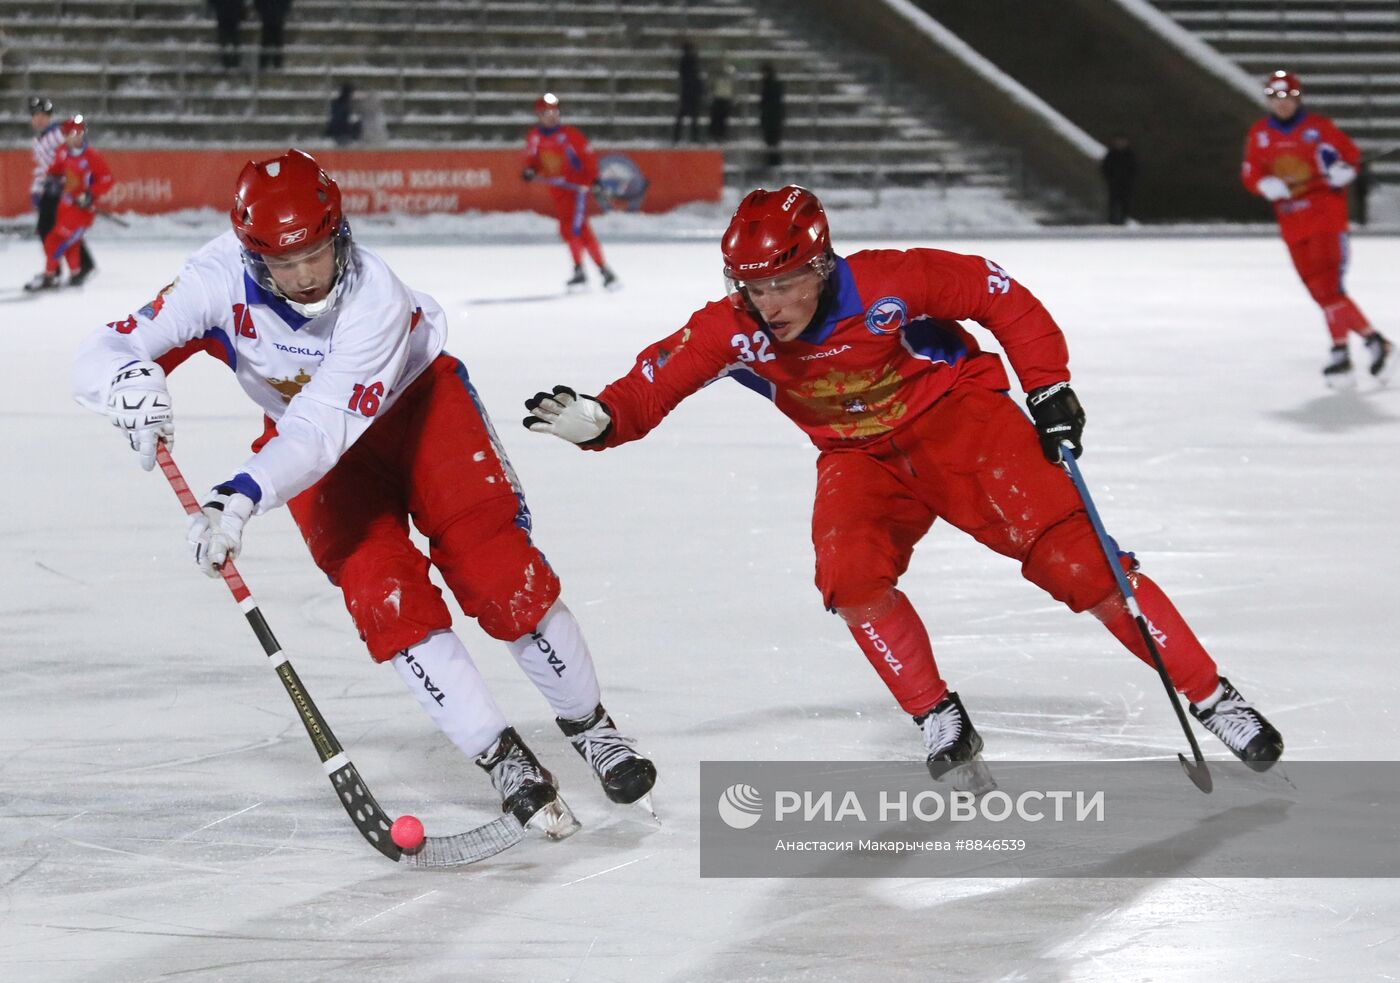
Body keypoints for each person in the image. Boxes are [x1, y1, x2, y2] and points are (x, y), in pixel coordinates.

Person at [523, 185, 1285, 782]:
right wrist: (604, 419)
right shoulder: (736, 328)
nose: (770, 303)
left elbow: (1000, 294)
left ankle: (1215, 697)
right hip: (858, 458)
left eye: (786, 281)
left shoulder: (893, 279)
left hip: (960, 426)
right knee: (848, 574)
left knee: (1082, 564)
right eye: (752, 285)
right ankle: (937, 714)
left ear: (821, 264)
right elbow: (658, 377)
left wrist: (1048, 386)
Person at [70, 149, 656, 836]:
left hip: (417, 410)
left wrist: (240, 495)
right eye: (283, 266)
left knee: (495, 570)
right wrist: (124, 385)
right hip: (308, 441)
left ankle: (592, 727)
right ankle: (500, 755)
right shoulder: (214, 278)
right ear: (249, 254)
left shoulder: (375, 293)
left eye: (317, 253)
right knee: (384, 595)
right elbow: (104, 349)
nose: (305, 275)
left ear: (340, 231)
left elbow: (322, 429)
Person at [1241, 69, 1393, 388]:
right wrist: (1263, 183)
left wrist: (1342, 172)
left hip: (1325, 219)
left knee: (1330, 289)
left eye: (1289, 97)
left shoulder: (1319, 129)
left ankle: (1343, 350)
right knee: (1320, 292)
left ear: (1299, 98)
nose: (1282, 104)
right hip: (1292, 225)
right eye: (1275, 98)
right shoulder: (1260, 133)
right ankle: (1372, 341)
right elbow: (1250, 171)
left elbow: (1349, 157)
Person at [522, 92, 619, 291]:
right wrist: (531, 170)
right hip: (558, 191)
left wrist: (593, 180)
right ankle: (583, 270)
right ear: (539, 115)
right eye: (546, 112)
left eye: (554, 111)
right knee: (568, 230)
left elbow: (588, 159)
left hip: (577, 191)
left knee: (578, 229)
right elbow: (534, 161)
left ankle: (601, 270)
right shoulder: (535, 137)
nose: (551, 116)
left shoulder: (570, 135)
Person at [25, 114, 110, 292]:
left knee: (53, 241)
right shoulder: (62, 151)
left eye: (77, 134)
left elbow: (106, 179)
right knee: (71, 243)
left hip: (81, 211)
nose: (73, 137)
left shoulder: (90, 156)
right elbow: (54, 169)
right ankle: (75, 274)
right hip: (66, 207)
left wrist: (90, 194)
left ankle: (49, 276)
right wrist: (52, 181)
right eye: (69, 134)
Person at [1100, 135, 1136, 225]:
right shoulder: (1111, 154)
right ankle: (1112, 220)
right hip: (1114, 183)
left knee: (1126, 202)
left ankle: (1126, 219)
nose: (1120, 144)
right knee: (1113, 202)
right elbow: (1105, 167)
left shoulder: (1130, 155)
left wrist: (1130, 179)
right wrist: (1110, 178)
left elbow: (1135, 168)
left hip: (1126, 183)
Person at [673, 40, 703, 145]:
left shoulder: (690, 61)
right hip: (689, 93)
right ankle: (683, 137)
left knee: (691, 117)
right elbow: (693, 77)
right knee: (688, 117)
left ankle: (690, 138)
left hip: (690, 93)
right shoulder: (687, 61)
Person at [758, 62, 785, 169]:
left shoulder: (771, 85)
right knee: (771, 140)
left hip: (772, 117)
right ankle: (772, 161)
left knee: (772, 140)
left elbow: (769, 103)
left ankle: (774, 161)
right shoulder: (771, 84)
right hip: (772, 117)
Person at [253, 0, 290, 70]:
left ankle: (274, 62)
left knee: (274, 40)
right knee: (268, 40)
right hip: (270, 15)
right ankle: (269, 62)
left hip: (273, 14)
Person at [209, 0, 245, 70]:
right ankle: (232, 62)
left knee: (229, 40)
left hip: (225, 15)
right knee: (232, 40)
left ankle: (229, 62)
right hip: (230, 14)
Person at [325, 82, 362, 146]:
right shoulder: (343, 104)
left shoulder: (336, 103)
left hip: (337, 130)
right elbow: (341, 121)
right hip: (341, 132)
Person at [708, 60, 736, 144]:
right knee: (718, 119)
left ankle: (720, 135)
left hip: (723, 99)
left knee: (722, 119)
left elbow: (732, 88)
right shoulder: (717, 76)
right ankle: (716, 135)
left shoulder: (729, 76)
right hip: (719, 98)